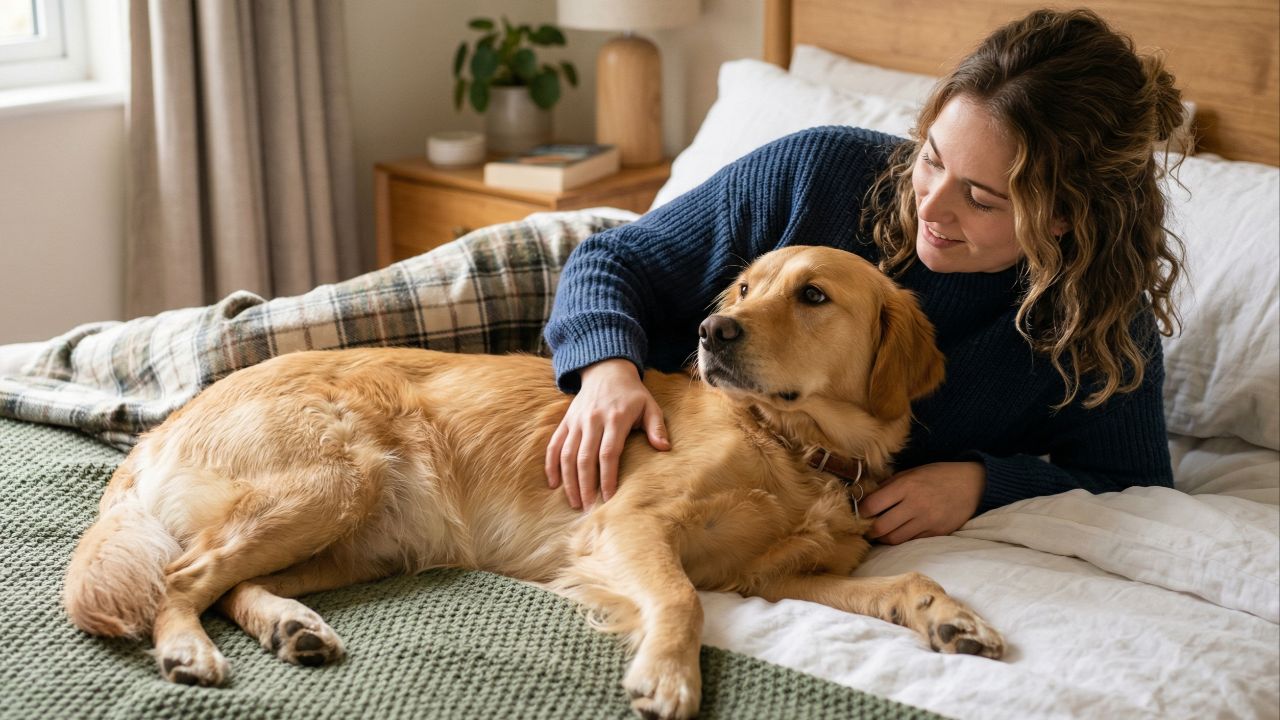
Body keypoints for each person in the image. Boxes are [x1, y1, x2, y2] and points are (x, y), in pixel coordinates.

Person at [542, 7, 1186, 544]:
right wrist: (606, 375)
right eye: (930, 159)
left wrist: (983, 483)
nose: (929, 208)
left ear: (1065, 217)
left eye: (982, 198)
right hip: (627, 450)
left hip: (756, 520)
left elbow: (1133, 486)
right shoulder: (822, 172)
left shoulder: (1097, 326)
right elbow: (613, 259)